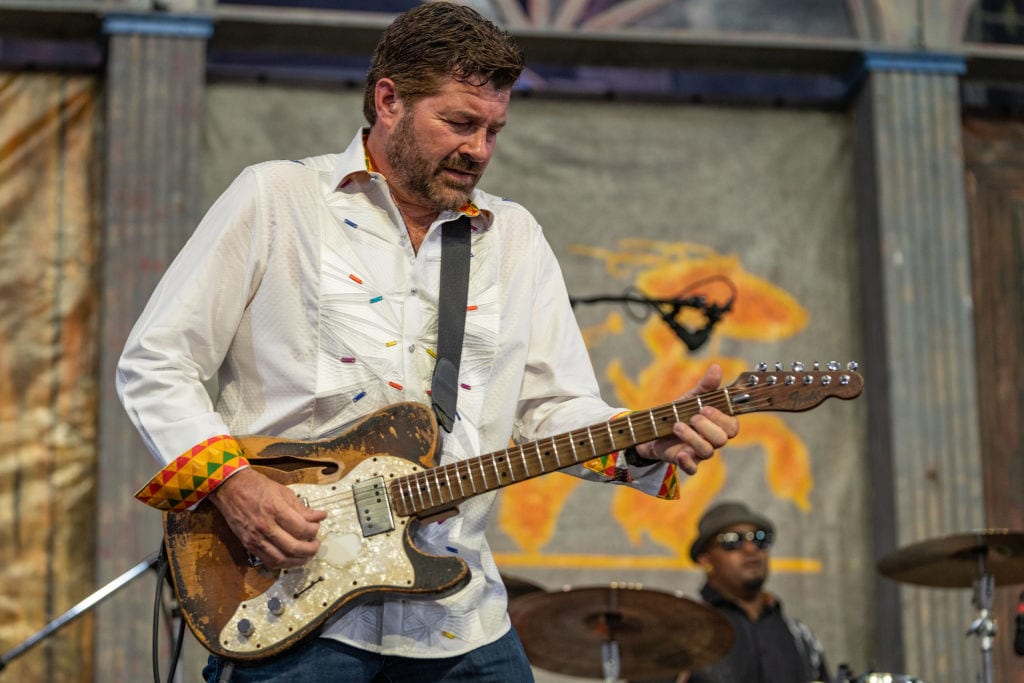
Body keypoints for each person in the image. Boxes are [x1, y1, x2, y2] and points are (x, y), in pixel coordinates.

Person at [116, 3, 740, 681]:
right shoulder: (278, 198)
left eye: (495, 129)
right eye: (460, 122)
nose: (480, 149)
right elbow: (156, 361)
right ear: (389, 100)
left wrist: (645, 439)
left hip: (461, 617)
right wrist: (235, 486)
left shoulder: (515, 236)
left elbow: (552, 408)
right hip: (289, 608)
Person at [684, 501, 830, 683]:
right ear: (705, 559)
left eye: (759, 539)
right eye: (732, 541)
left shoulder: (799, 635)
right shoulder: (687, 631)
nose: (751, 548)